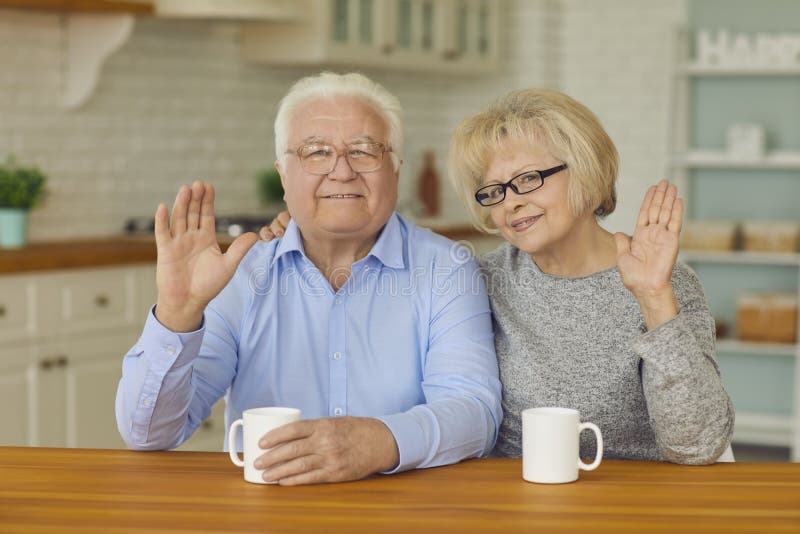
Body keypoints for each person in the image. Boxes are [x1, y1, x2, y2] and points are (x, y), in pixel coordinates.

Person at [262, 88, 735, 465]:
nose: (512, 202)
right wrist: (306, 233)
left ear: (588, 171)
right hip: (508, 506)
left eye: (530, 179)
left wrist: (654, 298)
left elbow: (696, 445)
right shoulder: (478, 278)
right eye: (494, 190)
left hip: (630, 507)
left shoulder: (664, 282)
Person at [115, 72, 502, 485]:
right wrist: (178, 313)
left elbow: (474, 413)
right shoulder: (242, 274)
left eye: (364, 151)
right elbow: (149, 435)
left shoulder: (447, 268)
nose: (341, 170)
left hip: (403, 511)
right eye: (316, 152)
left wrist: (379, 441)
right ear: (284, 174)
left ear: (395, 169)